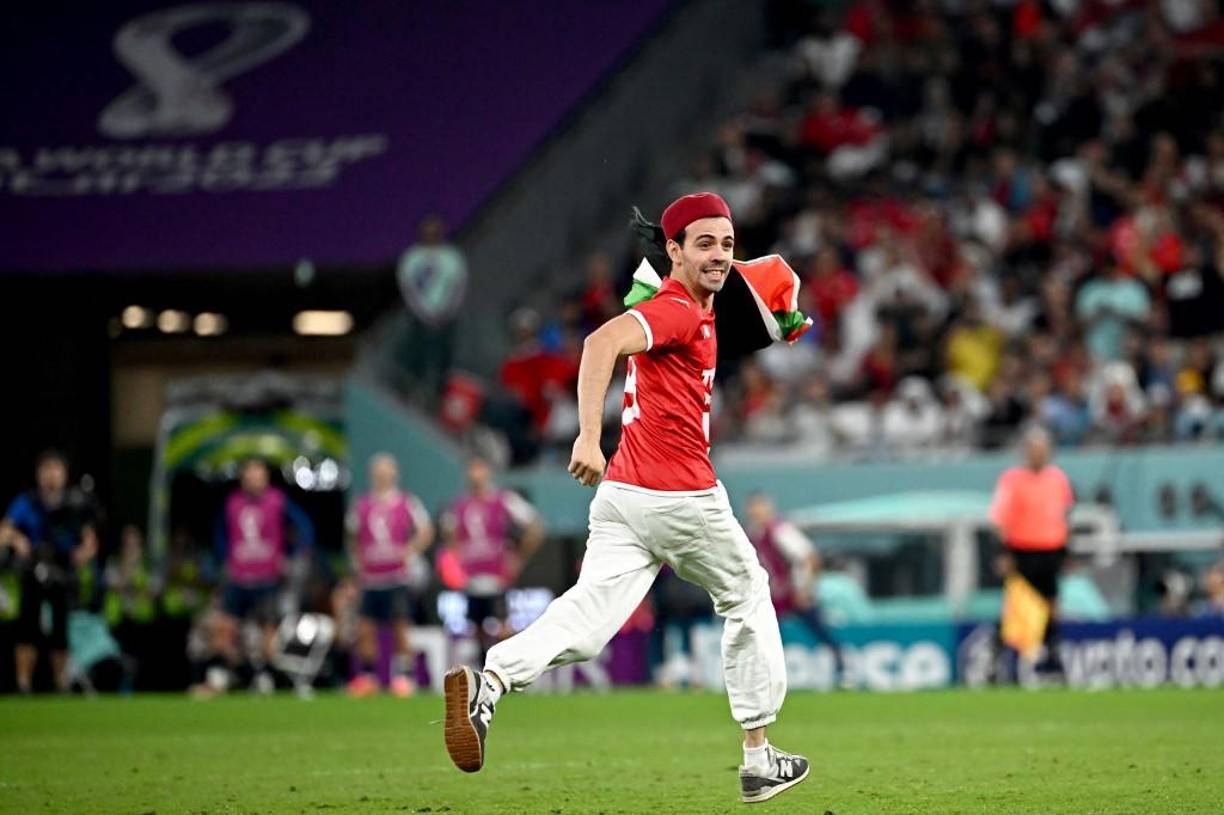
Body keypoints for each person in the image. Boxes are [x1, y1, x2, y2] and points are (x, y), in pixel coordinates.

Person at [442, 193, 810, 804]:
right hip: (680, 495)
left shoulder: (689, 306)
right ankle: (758, 755)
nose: (720, 254)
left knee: (587, 622)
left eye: (726, 242)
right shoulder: (677, 309)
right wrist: (588, 435)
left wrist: (779, 314)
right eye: (704, 243)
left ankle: (492, 680)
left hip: (623, 496)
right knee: (747, 592)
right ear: (674, 251)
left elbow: (746, 293)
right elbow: (598, 344)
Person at [208, 459, 314, 693]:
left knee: (268, 632)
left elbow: (306, 530)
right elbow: (219, 536)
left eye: (257, 475)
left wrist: (289, 556)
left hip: (268, 579)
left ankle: (266, 675)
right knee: (225, 628)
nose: (253, 480)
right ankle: (227, 673)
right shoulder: (233, 504)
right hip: (239, 578)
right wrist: (226, 558)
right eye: (249, 476)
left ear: (265, 477)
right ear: (243, 479)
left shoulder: (277, 501)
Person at [0, 450, 100, 693]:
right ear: (38, 474)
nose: (51, 476)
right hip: (33, 567)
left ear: (65, 475)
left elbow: (90, 541)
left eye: (56, 470)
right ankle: (24, 684)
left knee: (60, 631)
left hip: (63, 570)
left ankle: (61, 684)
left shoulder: (76, 502)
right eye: (47, 470)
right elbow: (4, 530)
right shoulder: (27, 501)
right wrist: (17, 540)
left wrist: (83, 553)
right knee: (27, 628)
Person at [345, 453, 434, 698]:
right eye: (378, 471)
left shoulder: (407, 502)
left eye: (386, 471)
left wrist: (411, 550)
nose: (382, 475)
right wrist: (358, 561)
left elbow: (426, 530)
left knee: (400, 628)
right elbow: (352, 535)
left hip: (397, 576)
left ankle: (404, 678)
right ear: (373, 475)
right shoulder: (362, 505)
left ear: (394, 474)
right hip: (371, 577)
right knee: (365, 629)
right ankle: (368, 677)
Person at [438, 456, 543, 663]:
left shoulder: (503, 500)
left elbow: (535, 526)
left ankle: (511, 667)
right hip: (472, 578)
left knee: (503, 625)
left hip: (498, 577)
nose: (475, 475)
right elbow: (448, 532)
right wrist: (458, 560)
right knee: (476, 628)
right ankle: (484, 670)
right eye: (472, 469)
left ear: (487, 472)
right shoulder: (460, 506)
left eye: (479, 469)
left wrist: (518, 556)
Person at [989, 426, 1074, 678]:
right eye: (1034, 450)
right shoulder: (1012, 480)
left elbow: (1064, 517)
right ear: (1026, 452)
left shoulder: (1058, 479)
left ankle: (1053, 658)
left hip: (1051, 551)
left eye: (1043, 450)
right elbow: (998, 520)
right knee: (1017, 608)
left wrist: (1066, 552)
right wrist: (1003, 553)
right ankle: (997, 661)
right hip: (1022, 551)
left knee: (1051, 606)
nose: (1039, 455)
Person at [744, 493, 843, 683]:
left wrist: (804, 588)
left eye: (761, 506)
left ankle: (842, 669)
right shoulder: (753, 533)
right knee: (765, 636)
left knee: (819, 629)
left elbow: (810, 557)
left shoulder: (780, 530)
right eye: (753, 508)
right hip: (771, 594)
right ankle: (767, 677)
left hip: (792, 592)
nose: (757, 512)